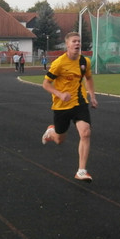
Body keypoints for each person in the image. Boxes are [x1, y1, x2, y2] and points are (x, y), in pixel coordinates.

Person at [40, 32, 98, 182]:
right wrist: (59, 94)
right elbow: (45, 84)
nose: (77, 43)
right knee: (59, 139)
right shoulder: (59, 63)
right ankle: (52, 132)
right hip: (62, 105)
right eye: (74, 41)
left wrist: (92, 96)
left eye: (79, 41)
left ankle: (81, 171)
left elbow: (89, 78)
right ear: (67, 44)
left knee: (85, 133)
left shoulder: (84, 61)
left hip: (80, 102)